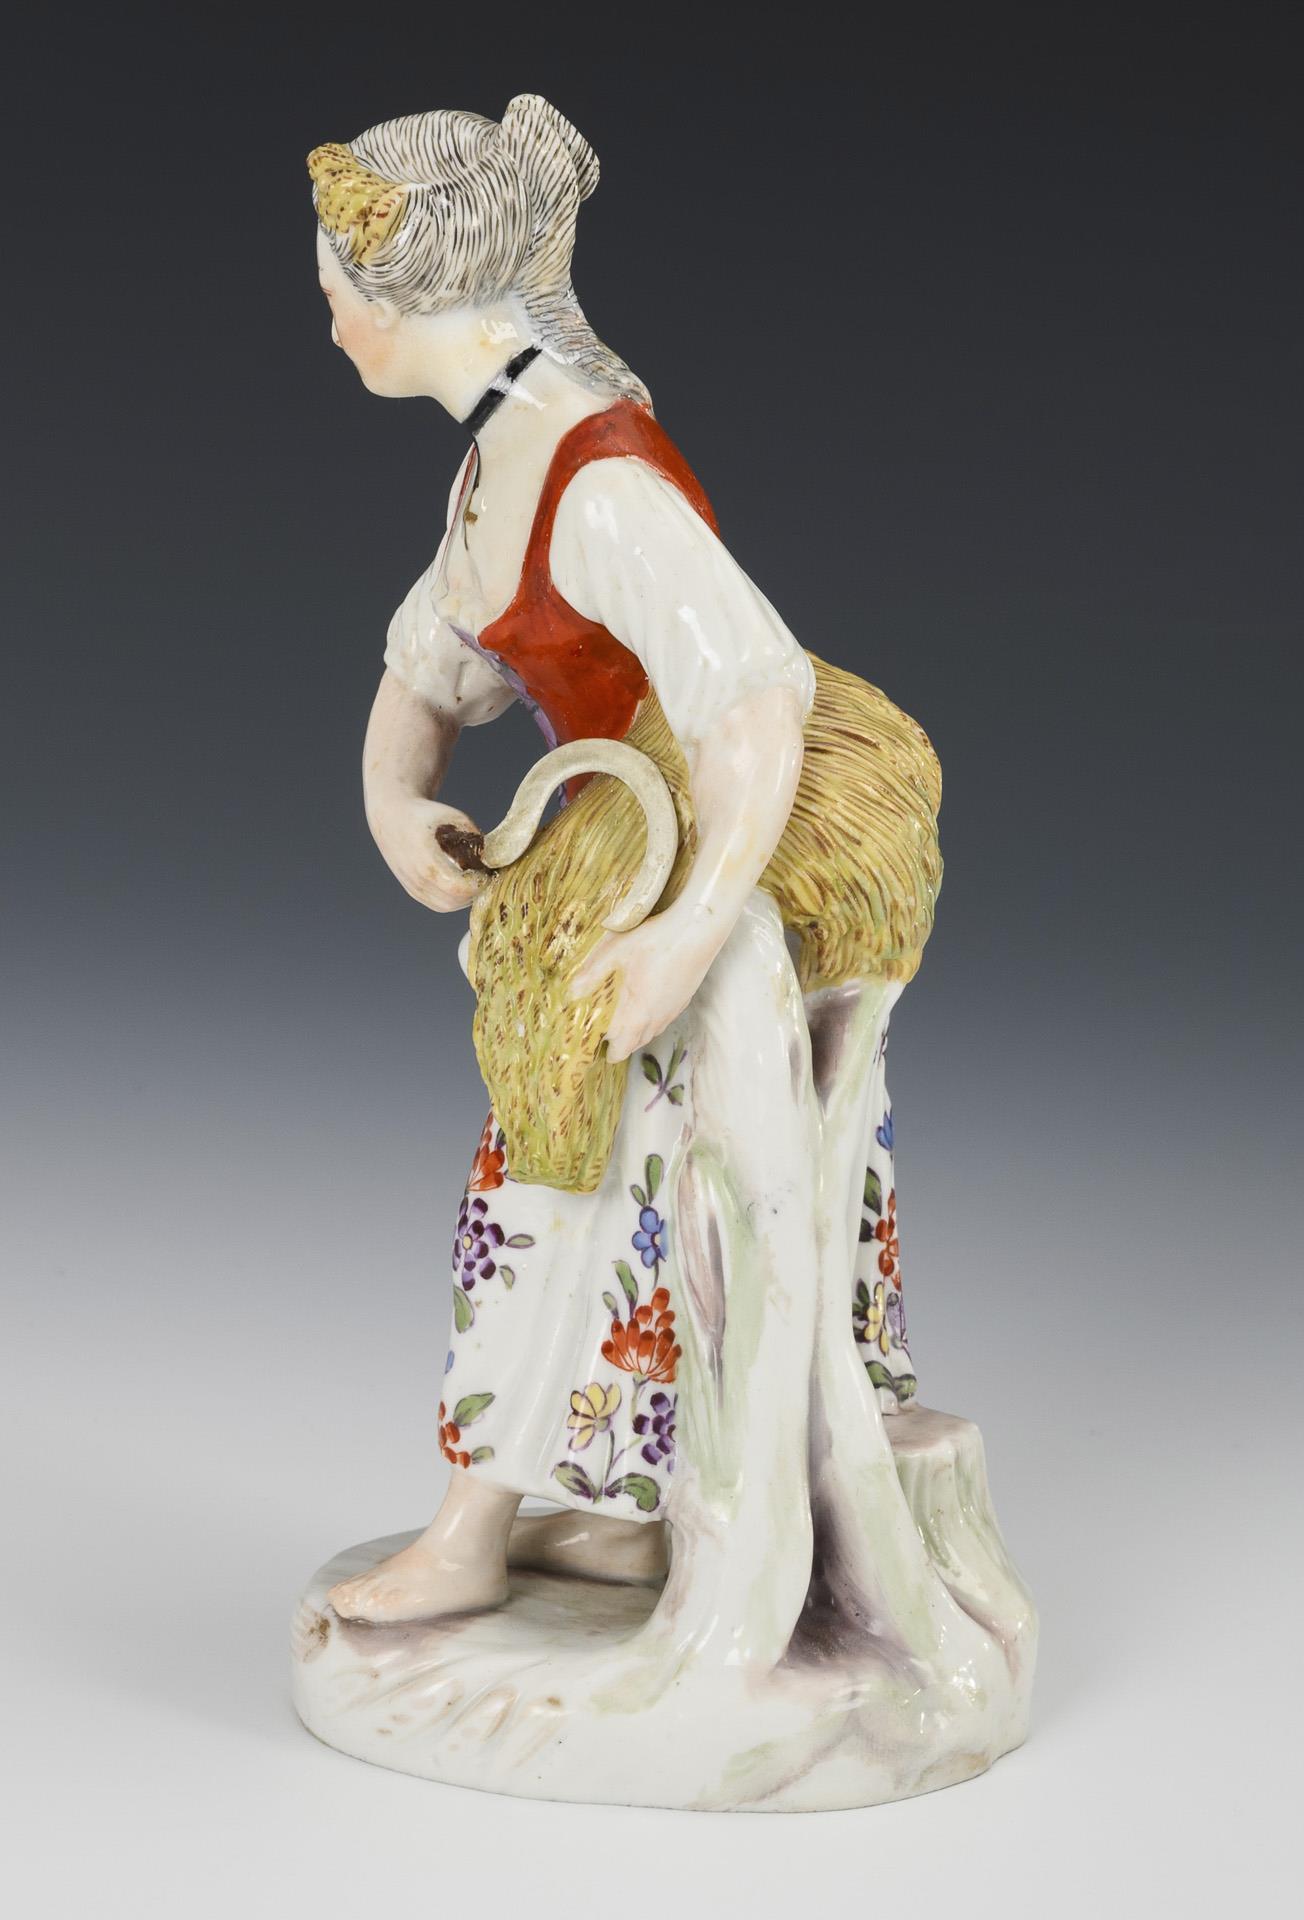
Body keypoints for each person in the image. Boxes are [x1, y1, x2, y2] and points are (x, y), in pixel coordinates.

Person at [308, 99, 934, 1628]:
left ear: (420, 291)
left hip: (699, 835)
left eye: (337, 289)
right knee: (620, 1166)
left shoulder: (597, 481)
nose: (328, 321)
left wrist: (691, 926)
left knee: (562, 1130)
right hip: (631, 825)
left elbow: (757, 697)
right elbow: (432, 662)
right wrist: (393, 799)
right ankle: (644, 1503)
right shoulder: (500, 462)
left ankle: (478, 1528)